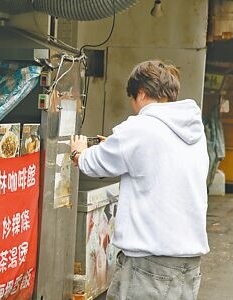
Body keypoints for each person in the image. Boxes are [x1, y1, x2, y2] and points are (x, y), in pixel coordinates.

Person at [70, 60, 209, 299]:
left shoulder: (140, 127)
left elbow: (92, 163)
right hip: (188, 265)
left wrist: (78, 151)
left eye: (133, 99)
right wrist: (115, 147)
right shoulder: (193, 130)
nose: (134, 107)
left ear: (141, 93)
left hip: (151, 266)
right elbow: (154, 160)